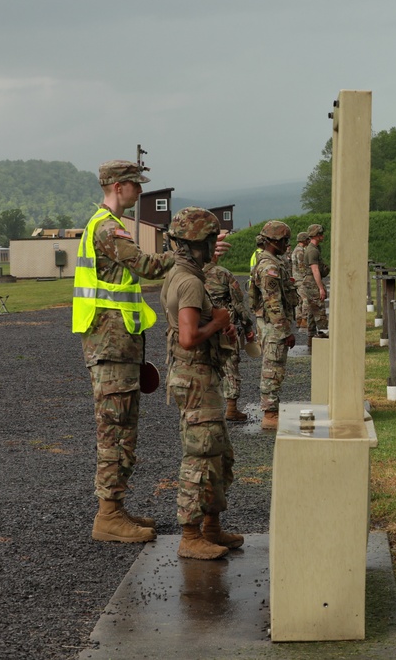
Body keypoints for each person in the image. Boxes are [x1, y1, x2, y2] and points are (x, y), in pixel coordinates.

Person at [72, 160, 169, 543]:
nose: (140, 190)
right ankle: (108, 516)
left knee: (124, 429)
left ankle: (116, 507)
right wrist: (187, 255)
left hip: (119, 344)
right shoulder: (107, 228)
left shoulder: (109, 225)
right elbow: (145, 265)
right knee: (114, 431)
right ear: (117, 186)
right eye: (135, 184)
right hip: (110, 345)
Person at [160, 207, 243, 560]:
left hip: (199, 377)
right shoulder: (190, 282)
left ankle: (211, 528)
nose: (215, 246)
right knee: (200, 457)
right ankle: (190, 535)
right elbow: (189, 337)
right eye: (211, 240)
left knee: (218, 455)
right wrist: (219, 320)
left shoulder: (180, 273)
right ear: (199, 243)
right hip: (194, 378)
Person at [248, 220, 299, 430]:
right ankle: (269, 414)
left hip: (271, 324)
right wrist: (285, 331)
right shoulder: (269, 266)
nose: (287, 244)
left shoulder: (271, 261)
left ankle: (271, 410)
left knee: (275, 366)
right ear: (274, 241)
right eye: (285, 240)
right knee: (273, 367)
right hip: (274, 326)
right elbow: (273, 302)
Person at [204, 249, 256, 422]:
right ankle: (231, 408)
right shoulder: (223, 274)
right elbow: (238, 303)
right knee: (230, 366)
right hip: (226, 327)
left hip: (200, 327)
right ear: (214, 255)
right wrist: (248, 327)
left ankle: (207, 408)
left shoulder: (193, 274)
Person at [302, 223, 329, 349]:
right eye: (320, 233)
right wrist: (321, 288)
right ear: (316, 235)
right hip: (312, 282)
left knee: (312, 312)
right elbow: (315, 270)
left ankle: (311, 339)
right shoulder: (312, 250)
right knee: (319, 309)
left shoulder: (314, 249)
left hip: (311, 281)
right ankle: (323, 336)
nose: (322, 235)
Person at [291, 231, 310, 328]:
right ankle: (304, 319)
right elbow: (301, 265)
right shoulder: (300, 251)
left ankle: (298, 319)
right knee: (305, 299)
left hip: (295, 278)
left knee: (299, 300)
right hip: (301, 279)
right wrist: (306, 276)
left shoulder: (295, 250)